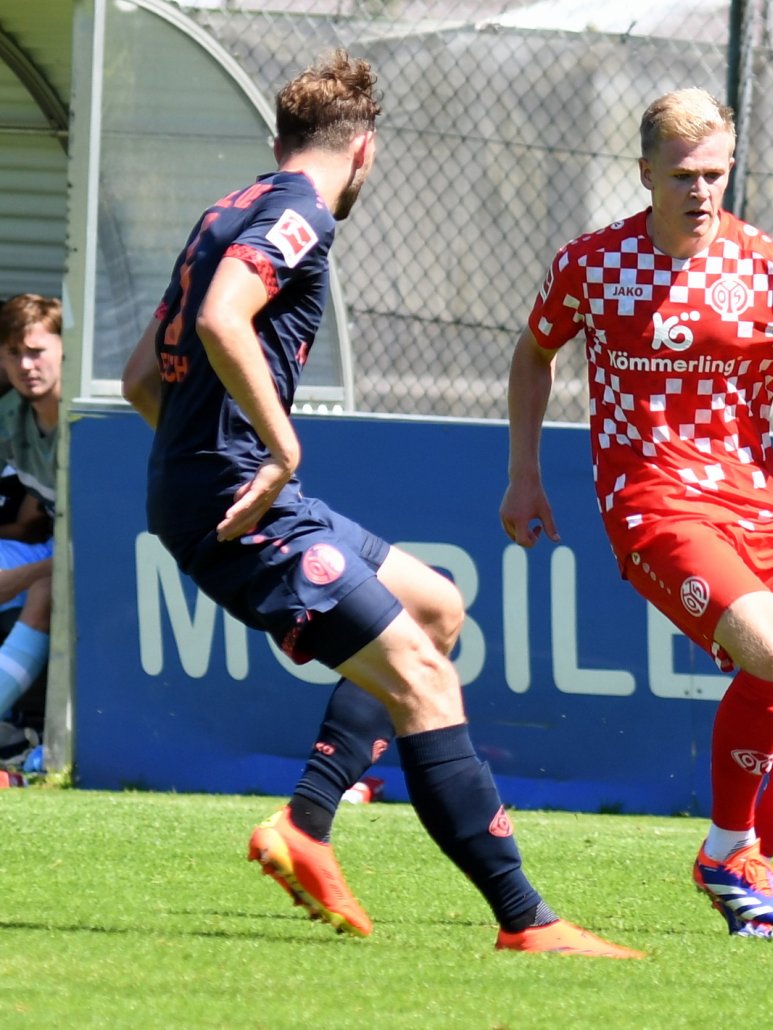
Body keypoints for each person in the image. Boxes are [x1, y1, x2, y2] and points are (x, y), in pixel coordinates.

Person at [121, 50, 643, 960]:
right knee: (423, 679)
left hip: (208, 482)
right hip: (240, 497)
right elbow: (219, 321)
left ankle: (307, 826)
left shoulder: (227, 210)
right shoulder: (300, 215)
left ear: (279, 141)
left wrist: (200, 457)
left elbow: (140, 377)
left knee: (436, 606)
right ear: (363, 149)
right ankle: (529, 922)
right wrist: (273, 449)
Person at [499, 88, 773, 939]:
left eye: (715, 174)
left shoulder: (772, 267)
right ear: (644, 175)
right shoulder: (592, 265)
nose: (701, 191)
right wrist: (524, 473)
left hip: (759, 505)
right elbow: (534, 353)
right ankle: (732, 853)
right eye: (682, 175)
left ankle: (741, 864)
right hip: (652, 501)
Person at [0, 295, 60, 739]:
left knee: (45, 589)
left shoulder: (86, 416)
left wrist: (22, 577)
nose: (26, 365)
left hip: (129, 550)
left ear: (64, 350)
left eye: (36, 351)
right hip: (60, 545)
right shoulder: (11, 415)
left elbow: (104, 540)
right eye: (14, 354)